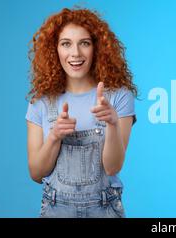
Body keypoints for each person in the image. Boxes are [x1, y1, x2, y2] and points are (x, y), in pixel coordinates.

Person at [25, 7, 137, 218]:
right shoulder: (39, 102)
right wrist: (54, 137)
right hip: (55, 209)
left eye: (84, 43)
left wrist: (113, 124)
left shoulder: (118, 97)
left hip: (105, 209)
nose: (75, 53)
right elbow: (36, 173)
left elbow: (112, 168)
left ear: (97, 48)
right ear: (54, 49)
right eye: (66, 43)